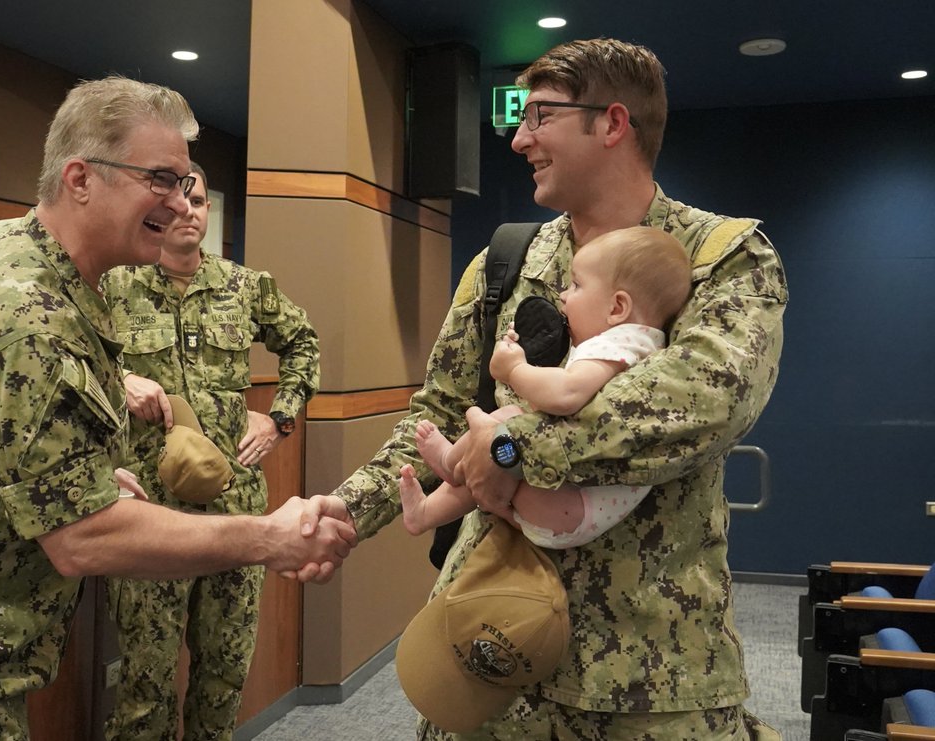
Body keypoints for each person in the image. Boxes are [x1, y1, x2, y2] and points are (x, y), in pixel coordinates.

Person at [0, 76, 352, 740]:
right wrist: (269, 537)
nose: (181, 204)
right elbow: (84, 537)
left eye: (186, 184)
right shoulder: (30, 317)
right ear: (80, 178)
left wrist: (89, 475)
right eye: (160, 177)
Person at [301, 38, 788, 739]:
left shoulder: (720, 257)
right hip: (488, 651)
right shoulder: (506, 259)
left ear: (613, 123)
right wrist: (350, 511)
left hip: (645, 672)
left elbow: (703, 402)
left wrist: (509, 446)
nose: (520, 138)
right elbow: (437, 412)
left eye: (540, 117)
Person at [99, 161, 320, 740]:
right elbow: (67, 358)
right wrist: (117, 379)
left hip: (234, 500)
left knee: (222, 673)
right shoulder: (114, 285)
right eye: (177, 202)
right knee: (145, 679)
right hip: (150, 506)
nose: (190, 213)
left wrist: (279, 418)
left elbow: (303, 341)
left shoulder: (245, 286)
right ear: (154, 211)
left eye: (199, 202)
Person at [399, 226, 692, 549]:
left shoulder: (617, 343)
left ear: (617, 308)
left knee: (501, 430)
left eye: (577, 285)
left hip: (566, 505)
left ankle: (451, 466)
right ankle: (432, 500)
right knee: (504, 427)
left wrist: (513, 369)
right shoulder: (647, 345)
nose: (564, 295)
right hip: (572, 508)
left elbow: (564, 395)